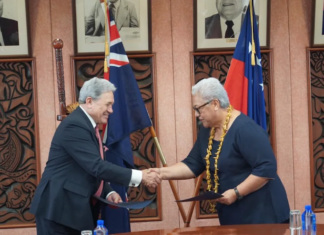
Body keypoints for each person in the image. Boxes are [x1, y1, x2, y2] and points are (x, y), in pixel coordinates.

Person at [149, 78, 290, 225]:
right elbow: (193, 164)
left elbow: (266, 168)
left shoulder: (245, 129)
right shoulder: (207, 130)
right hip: (233, 214)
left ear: (215, 104)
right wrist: (160, 173)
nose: (197, 114)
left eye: (198, 108)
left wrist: (236, 192)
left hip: (263, 216)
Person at [30, 77, 161, 235]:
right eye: (108, 104)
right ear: (90, 101)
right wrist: (140, 176)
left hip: (71, 210)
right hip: (58, 210)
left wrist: (108, 192)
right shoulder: (75, 125)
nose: (111, 110)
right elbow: (96, 166)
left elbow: (87, 168)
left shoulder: (87, 125)